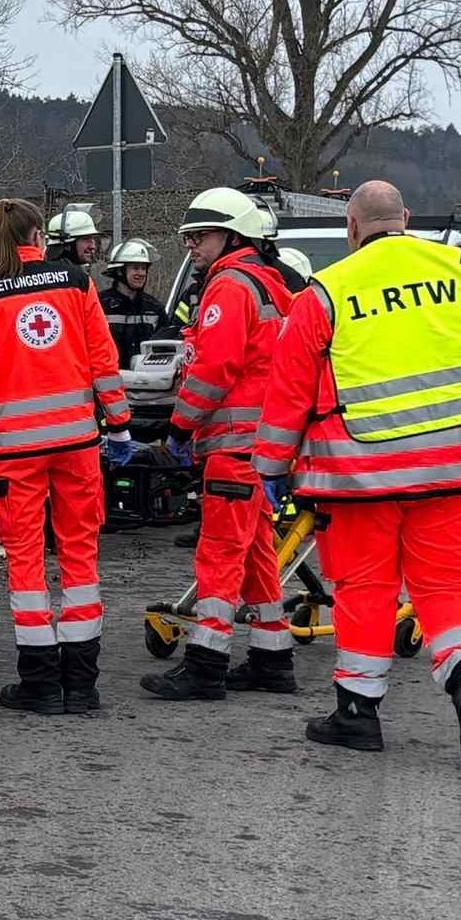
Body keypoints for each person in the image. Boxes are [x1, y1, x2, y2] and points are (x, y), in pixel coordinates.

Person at [254, 180, 461, 767]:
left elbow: (288, 391)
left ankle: (358, 713)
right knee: (448, 585)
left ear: (352, 228)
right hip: (454, 467)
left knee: (364, 588)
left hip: (360, 475)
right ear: (404, 218)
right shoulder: (460, 273)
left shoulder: (327, 291)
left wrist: (270, 468)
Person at [0, 199, 131, 716]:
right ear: (39, 237)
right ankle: (82, 684)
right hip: (77, 446)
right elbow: (102, 360)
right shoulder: (75, 283)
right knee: (80, 556)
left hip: (17, 454)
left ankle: (41, 685)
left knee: (25, 561)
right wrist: (118, 424)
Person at [140, 188, 298, 700]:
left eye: (201, 237)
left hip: (233, 443)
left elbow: (215, 369)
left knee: (220, 553)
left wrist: (180, 428)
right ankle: (272, 659)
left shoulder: (229, 285)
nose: (193, 247)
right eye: (189, 238)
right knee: (255, 554)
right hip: (265, 444)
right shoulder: (270, 285)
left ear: (233, 235)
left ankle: (206, 663)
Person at [98, 238, 167, 368]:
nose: (141, 273)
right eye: (135, 268)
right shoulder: (100, 305)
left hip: (148, 381)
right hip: (112, 380)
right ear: (119, 271)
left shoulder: (154, 308)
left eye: (144, 268)